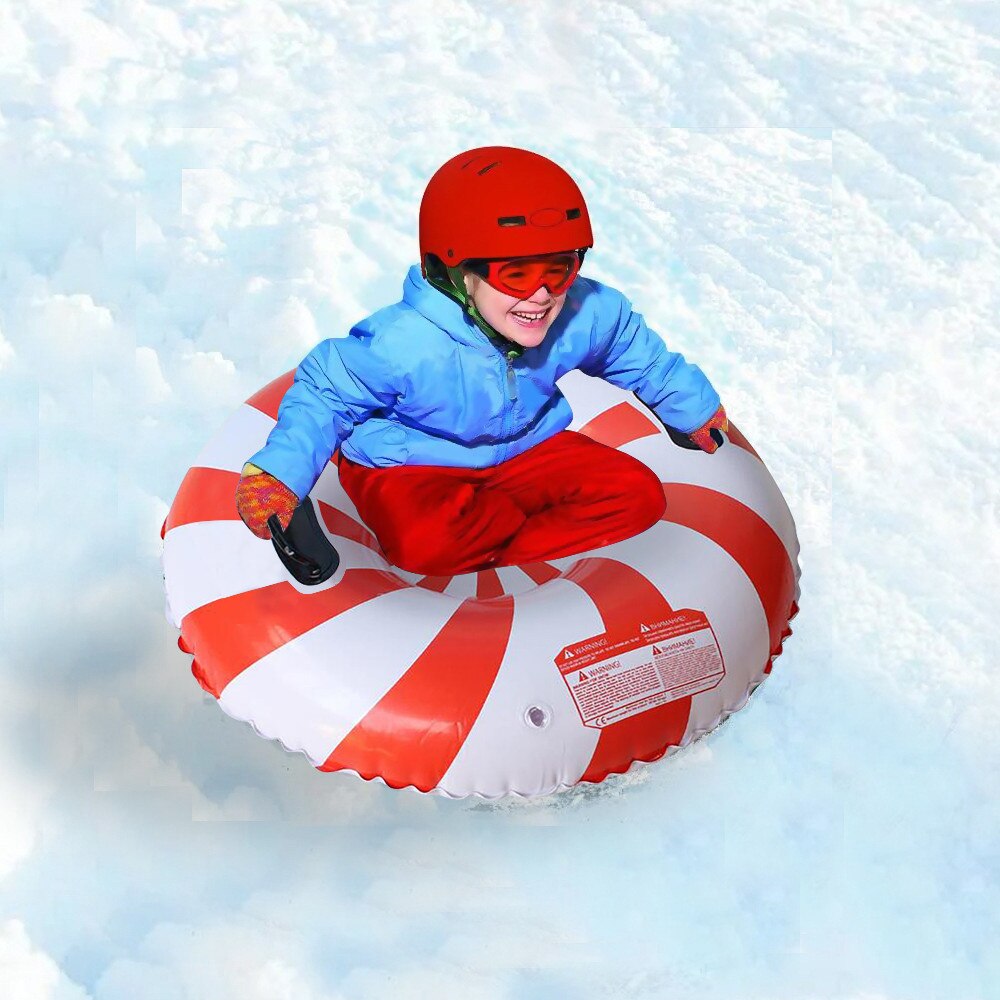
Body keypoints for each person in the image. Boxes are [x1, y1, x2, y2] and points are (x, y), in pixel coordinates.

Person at [235, 146, 728, 576]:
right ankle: (474, 535)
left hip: (525, 448)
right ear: (453, 271)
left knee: (638, 496)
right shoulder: (405, 341)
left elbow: (635, 352)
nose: (541, 294)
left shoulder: (584, 311)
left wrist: (689, 409)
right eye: (516, 274)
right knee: (423, 543)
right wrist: (281, 476)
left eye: (559, 269)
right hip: (413, 462)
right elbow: (325, 394)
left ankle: (491, 540)